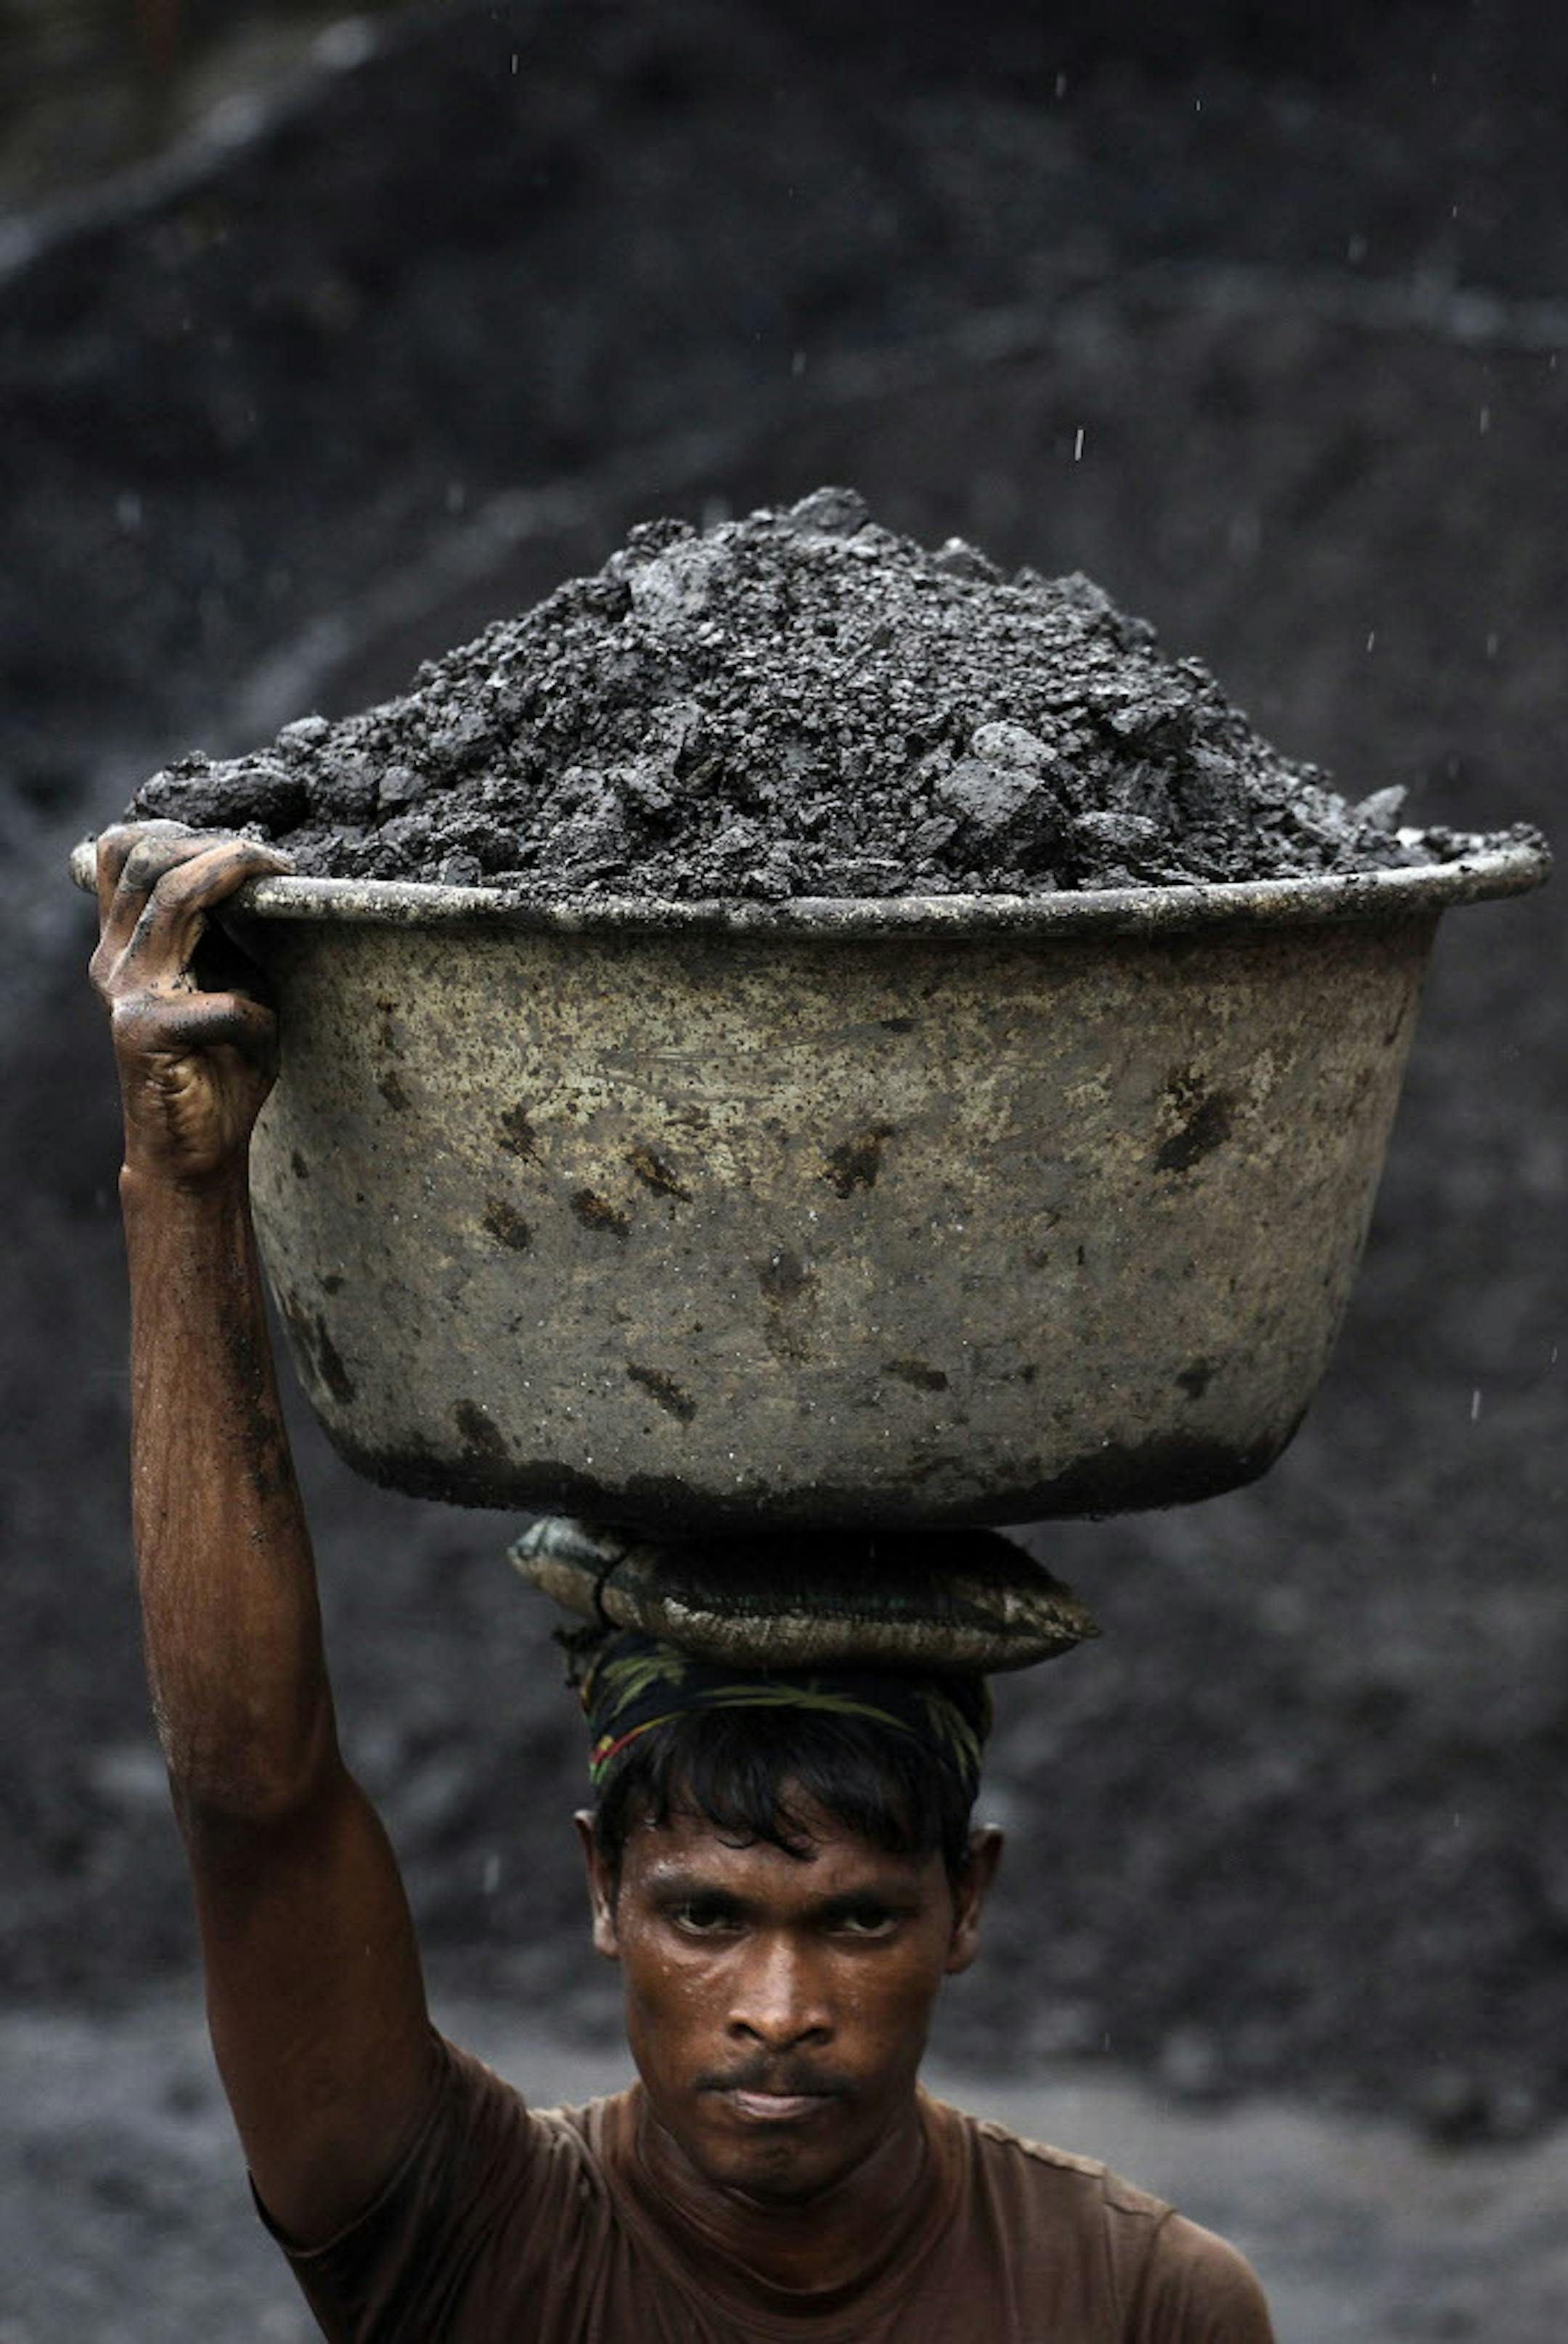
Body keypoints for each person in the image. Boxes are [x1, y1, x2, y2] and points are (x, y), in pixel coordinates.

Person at [89, 820, 1277, 2341]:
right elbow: (252, 1799)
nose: (779, 2011)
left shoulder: (1139, 2302)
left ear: (966, 1901)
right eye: (707, 1916)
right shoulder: (472, 2239)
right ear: (603, 1890)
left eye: (857, 1922)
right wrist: (184, 1189)